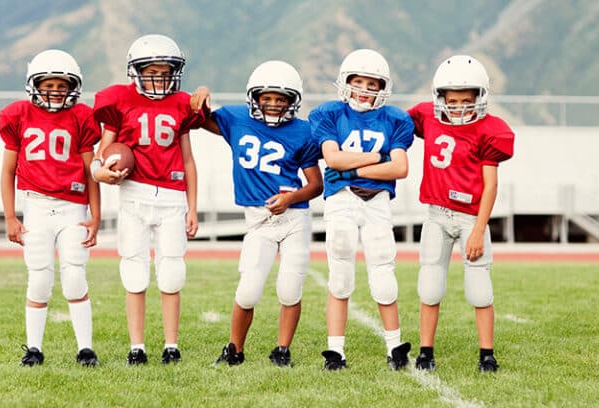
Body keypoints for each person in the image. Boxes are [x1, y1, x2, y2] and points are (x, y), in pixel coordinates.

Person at [190, 60, 323, 367]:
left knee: (290, 288)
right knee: (248, 291)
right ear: (255, 97)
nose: (274, 105)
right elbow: (197, 116)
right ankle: (234, 349)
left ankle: (282, 350)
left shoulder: (303, 132)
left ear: (293, 102)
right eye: (267, 98)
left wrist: (291, 198)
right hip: (258, 220)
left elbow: (316, 185)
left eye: (281, 99)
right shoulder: (237, 118)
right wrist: (202, 90)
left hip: (293, 219)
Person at [91, 34, 205, 365]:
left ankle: (172, 345)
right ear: (136, 72)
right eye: (152, 71)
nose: (159, 78)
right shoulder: (119, 101)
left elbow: (188, 160)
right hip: (134, 193)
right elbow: (103, 150)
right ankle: (137, 346)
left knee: (171, 272)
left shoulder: (182, 103)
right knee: (134, 270)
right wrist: (99, 172)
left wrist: (193, 206)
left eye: (165, 72)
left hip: (172, 196)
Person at [408, 55, 514, 373]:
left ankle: (487, 354)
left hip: (470, 217)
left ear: (479, 98)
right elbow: (397, 124)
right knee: (429, 285)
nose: (458, 107)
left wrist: (480, 229)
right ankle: (426, 352)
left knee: (480, 289)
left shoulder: (491, 130)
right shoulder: (427, 116)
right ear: (440, 97)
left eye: (466, 100)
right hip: (436, 214)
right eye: (451, 100)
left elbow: (490, 185)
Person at [309, 49, 414, 371]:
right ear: (346, 83)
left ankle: (394, 346)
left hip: (377, 200)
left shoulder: (395, 118)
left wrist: (351, 166)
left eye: (372, 83)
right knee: (340, 273)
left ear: (383, 87)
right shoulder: (330, 113)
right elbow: (334, 159)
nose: (365, 89)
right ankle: (335, 351)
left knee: (383, 270)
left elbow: (400, 168)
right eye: (358, 82)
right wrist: (376, 159)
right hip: (340, 198)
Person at [0, 49, 101, 367]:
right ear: (35, 85)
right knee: (40, 280)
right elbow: (8, 171)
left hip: (73, 208)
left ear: (73, 87)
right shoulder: (18, 115)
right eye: (49, 85)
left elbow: (90, 171)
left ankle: (85, 349)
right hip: (36, 206)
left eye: (62, 85)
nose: (56, 91)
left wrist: (96, 216)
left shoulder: (82, 116)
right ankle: (34, 348)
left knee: (74, 278)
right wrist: (10, 216)